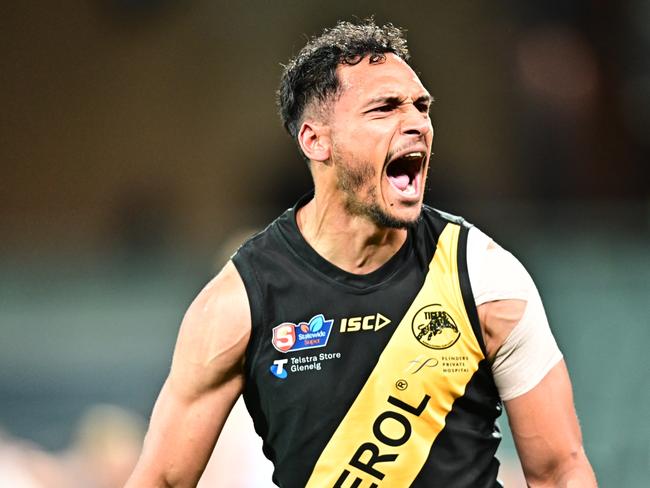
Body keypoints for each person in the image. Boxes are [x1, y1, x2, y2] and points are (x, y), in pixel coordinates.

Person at [126, 19, 597, 487]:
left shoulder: (485, 276)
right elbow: (162, 480)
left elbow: (560, 471)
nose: (415, 123)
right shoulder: (238, 303)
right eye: (385, 108)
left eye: (421, 106)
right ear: (316, 140)